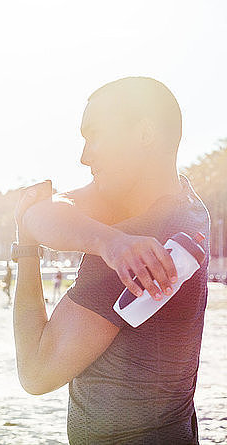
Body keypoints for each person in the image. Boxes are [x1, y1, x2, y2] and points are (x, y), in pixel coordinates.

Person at [12, 77, 209, 444]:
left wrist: (26, 251)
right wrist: (108, 239)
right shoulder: (186, 206)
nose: (84, 156)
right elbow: (42, 214)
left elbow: (37, 371)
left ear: (145, 133)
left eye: (95, 135)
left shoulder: (137, 251)